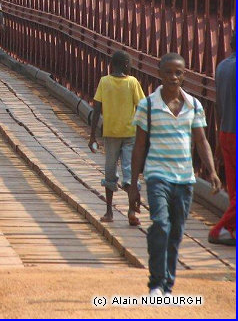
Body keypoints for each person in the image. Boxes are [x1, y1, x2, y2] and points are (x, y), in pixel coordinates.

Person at [128, 53, 222, 296]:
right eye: (168, 72)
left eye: (178, 72)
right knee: (160, 223)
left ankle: (167, 283)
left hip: (185, 178)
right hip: (157, 175)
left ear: (185, 75)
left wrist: (211, 171)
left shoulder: (194, 106)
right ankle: (156, 282)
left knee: (177, 231)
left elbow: (201, 141)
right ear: (159, 74)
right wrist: (133, 184)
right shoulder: (147, 105)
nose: (173, 77)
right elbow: (139, 146)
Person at [89, 51, 145, 224]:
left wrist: (92, 136)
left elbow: (97, 109)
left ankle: (109, 213)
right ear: (127, 65)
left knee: (110, 171)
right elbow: (142, 107)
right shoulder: (133, 82)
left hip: (111, 134)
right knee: (129, 172)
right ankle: (131, 212)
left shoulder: (104, 82)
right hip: (130, 133)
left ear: (112, 65)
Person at [208, 32, 235, 246]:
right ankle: (219, 230)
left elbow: (218, 104)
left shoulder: (223, 67)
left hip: (226, 132)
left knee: (233, 188)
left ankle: (231, 229)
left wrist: (218, 136)